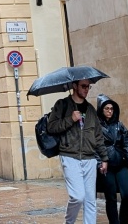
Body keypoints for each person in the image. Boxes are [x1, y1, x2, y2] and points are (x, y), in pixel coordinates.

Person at [46, 79, 107, 224]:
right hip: (70, 156)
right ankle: (69, 222)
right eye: (83, 86)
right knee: (78, 197)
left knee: (90, 200)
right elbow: (51, 127)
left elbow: (98, 135)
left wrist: (104, 158)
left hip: (89, 158)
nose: (86, 89)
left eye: (88, 87)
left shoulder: (90, 109)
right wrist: (71, 119)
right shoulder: (62, 104)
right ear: (74, 86)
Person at [97, 95, 128, 224]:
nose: (110, 111)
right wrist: (100, 163)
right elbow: (93, 147)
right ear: (101, 109)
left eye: (111, 108)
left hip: (121, 164)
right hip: (106, 166)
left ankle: (123, 221)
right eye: (107, 108)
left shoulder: (119, 125)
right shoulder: (95, 127)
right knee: (111, 197)